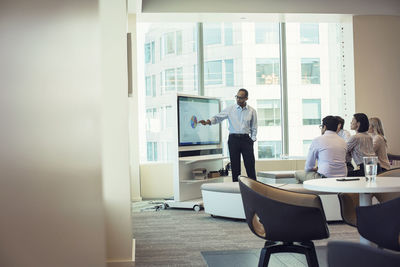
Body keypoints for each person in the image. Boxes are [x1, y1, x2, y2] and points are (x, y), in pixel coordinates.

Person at [199, 89, 257, 182]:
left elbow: (254, 127)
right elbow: (218, 117)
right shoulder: (230, 109)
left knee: (250, 165)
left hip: (246, 140)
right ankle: (236, 189)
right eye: (237, 97)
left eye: (241, 98)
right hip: (233, 140)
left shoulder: (252, 111)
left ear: (246, 98)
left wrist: (252, 140)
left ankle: (254, 190)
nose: (238, 99)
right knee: (235, 167)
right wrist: (207, 122)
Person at [295, 116, 347, 183]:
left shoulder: (318, 140)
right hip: (342, 178)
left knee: (297, 174)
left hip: (324, 178)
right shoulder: (343, 142)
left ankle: (308, 193)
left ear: (324, 127)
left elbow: (308, 166)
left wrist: (314, 169)